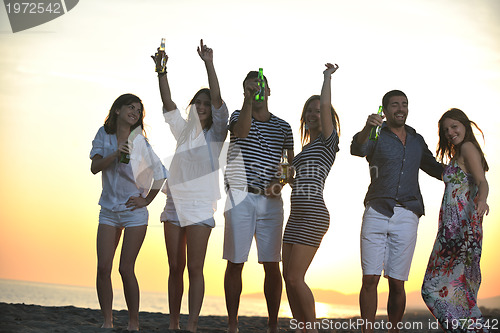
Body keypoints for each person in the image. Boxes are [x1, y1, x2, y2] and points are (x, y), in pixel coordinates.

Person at [350, 90, 444, 333]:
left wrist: (466, 174)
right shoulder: (375, 133)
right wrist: (366, 127)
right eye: (394, 105)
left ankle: (394, 330)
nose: (400, 108)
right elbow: (358, 149)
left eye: (404, 104)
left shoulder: (416, 139)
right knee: (369, 279)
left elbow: (434, 168)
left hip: (407, 213)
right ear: (384, 109)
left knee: (397, 282)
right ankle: (367, 330)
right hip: (377, 211)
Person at [152, 40, 228, 332]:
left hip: (200, 205)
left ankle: (192, 324)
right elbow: (168, 104)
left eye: (207, 104)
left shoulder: (217, 132)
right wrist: (162, 71)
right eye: (198, 102)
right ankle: (174, 323)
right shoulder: (183, 130)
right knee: (175, 268)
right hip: (174, 203)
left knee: (195, 268)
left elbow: (219, 100)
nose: (203, 106)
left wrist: (208, 62)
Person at [223, 69, 294, 333]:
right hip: (240, 196)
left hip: (271, 201)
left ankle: (273, 325)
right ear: (245, 92)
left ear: (270, 89)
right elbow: (241, 133)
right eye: (251, 88)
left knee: (272, 263)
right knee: (235, 261)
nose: (257, 90)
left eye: (261, 86)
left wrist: (281, 182)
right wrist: (248, 101)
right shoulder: (237, 116)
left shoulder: (284, 126)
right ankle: (233, 324)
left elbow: (289, 164)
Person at [90, 94, 168, 330]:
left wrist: (146, 200)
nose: (135, 112)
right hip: (109, 210)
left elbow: (161, 174)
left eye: (138, 110)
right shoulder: (104, 135)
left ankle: (133, 322)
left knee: (125, 268)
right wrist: (114, 154)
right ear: (117, 110)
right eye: (130, 107)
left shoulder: (140, 142)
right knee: (104, 267)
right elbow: (94, 167)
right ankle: (108, 321)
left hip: (134, 211)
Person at [282, 63, 340, 333]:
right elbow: (295, 181)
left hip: (314, 214)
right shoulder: (305, 148)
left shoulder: (329, 140)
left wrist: (326, 78)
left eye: (319, 110)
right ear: (304, 116)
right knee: (288, 278)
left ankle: (312, 329)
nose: (315, 113)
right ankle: (302, 328)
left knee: (295, 277)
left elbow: (326, 105)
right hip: (296, 215)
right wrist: (287, 175)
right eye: (310, 110)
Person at [421, 108, 489, 332]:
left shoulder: (468, 148)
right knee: (459, 290)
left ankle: (473, 329)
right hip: (450, 230)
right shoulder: (457, 155)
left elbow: (482, 181)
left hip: (461, 229)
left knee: (432, 288)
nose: (450, 132)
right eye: (446, 130)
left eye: (454, 127)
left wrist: (482, 200)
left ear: (465, 126)